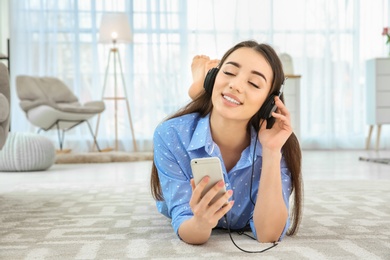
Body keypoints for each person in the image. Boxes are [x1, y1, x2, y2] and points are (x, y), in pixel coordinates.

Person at [150, 40, 302, 245]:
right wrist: (201, 223)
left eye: (254, 83)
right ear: (214, 78)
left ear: (268, 103)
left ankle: (199, 89)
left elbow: (268, 235)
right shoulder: (171, 134)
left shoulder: (278, 143)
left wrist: (272, 151)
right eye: (229, 72)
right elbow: (184, 222)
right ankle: (199, 88)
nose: (235, 84)